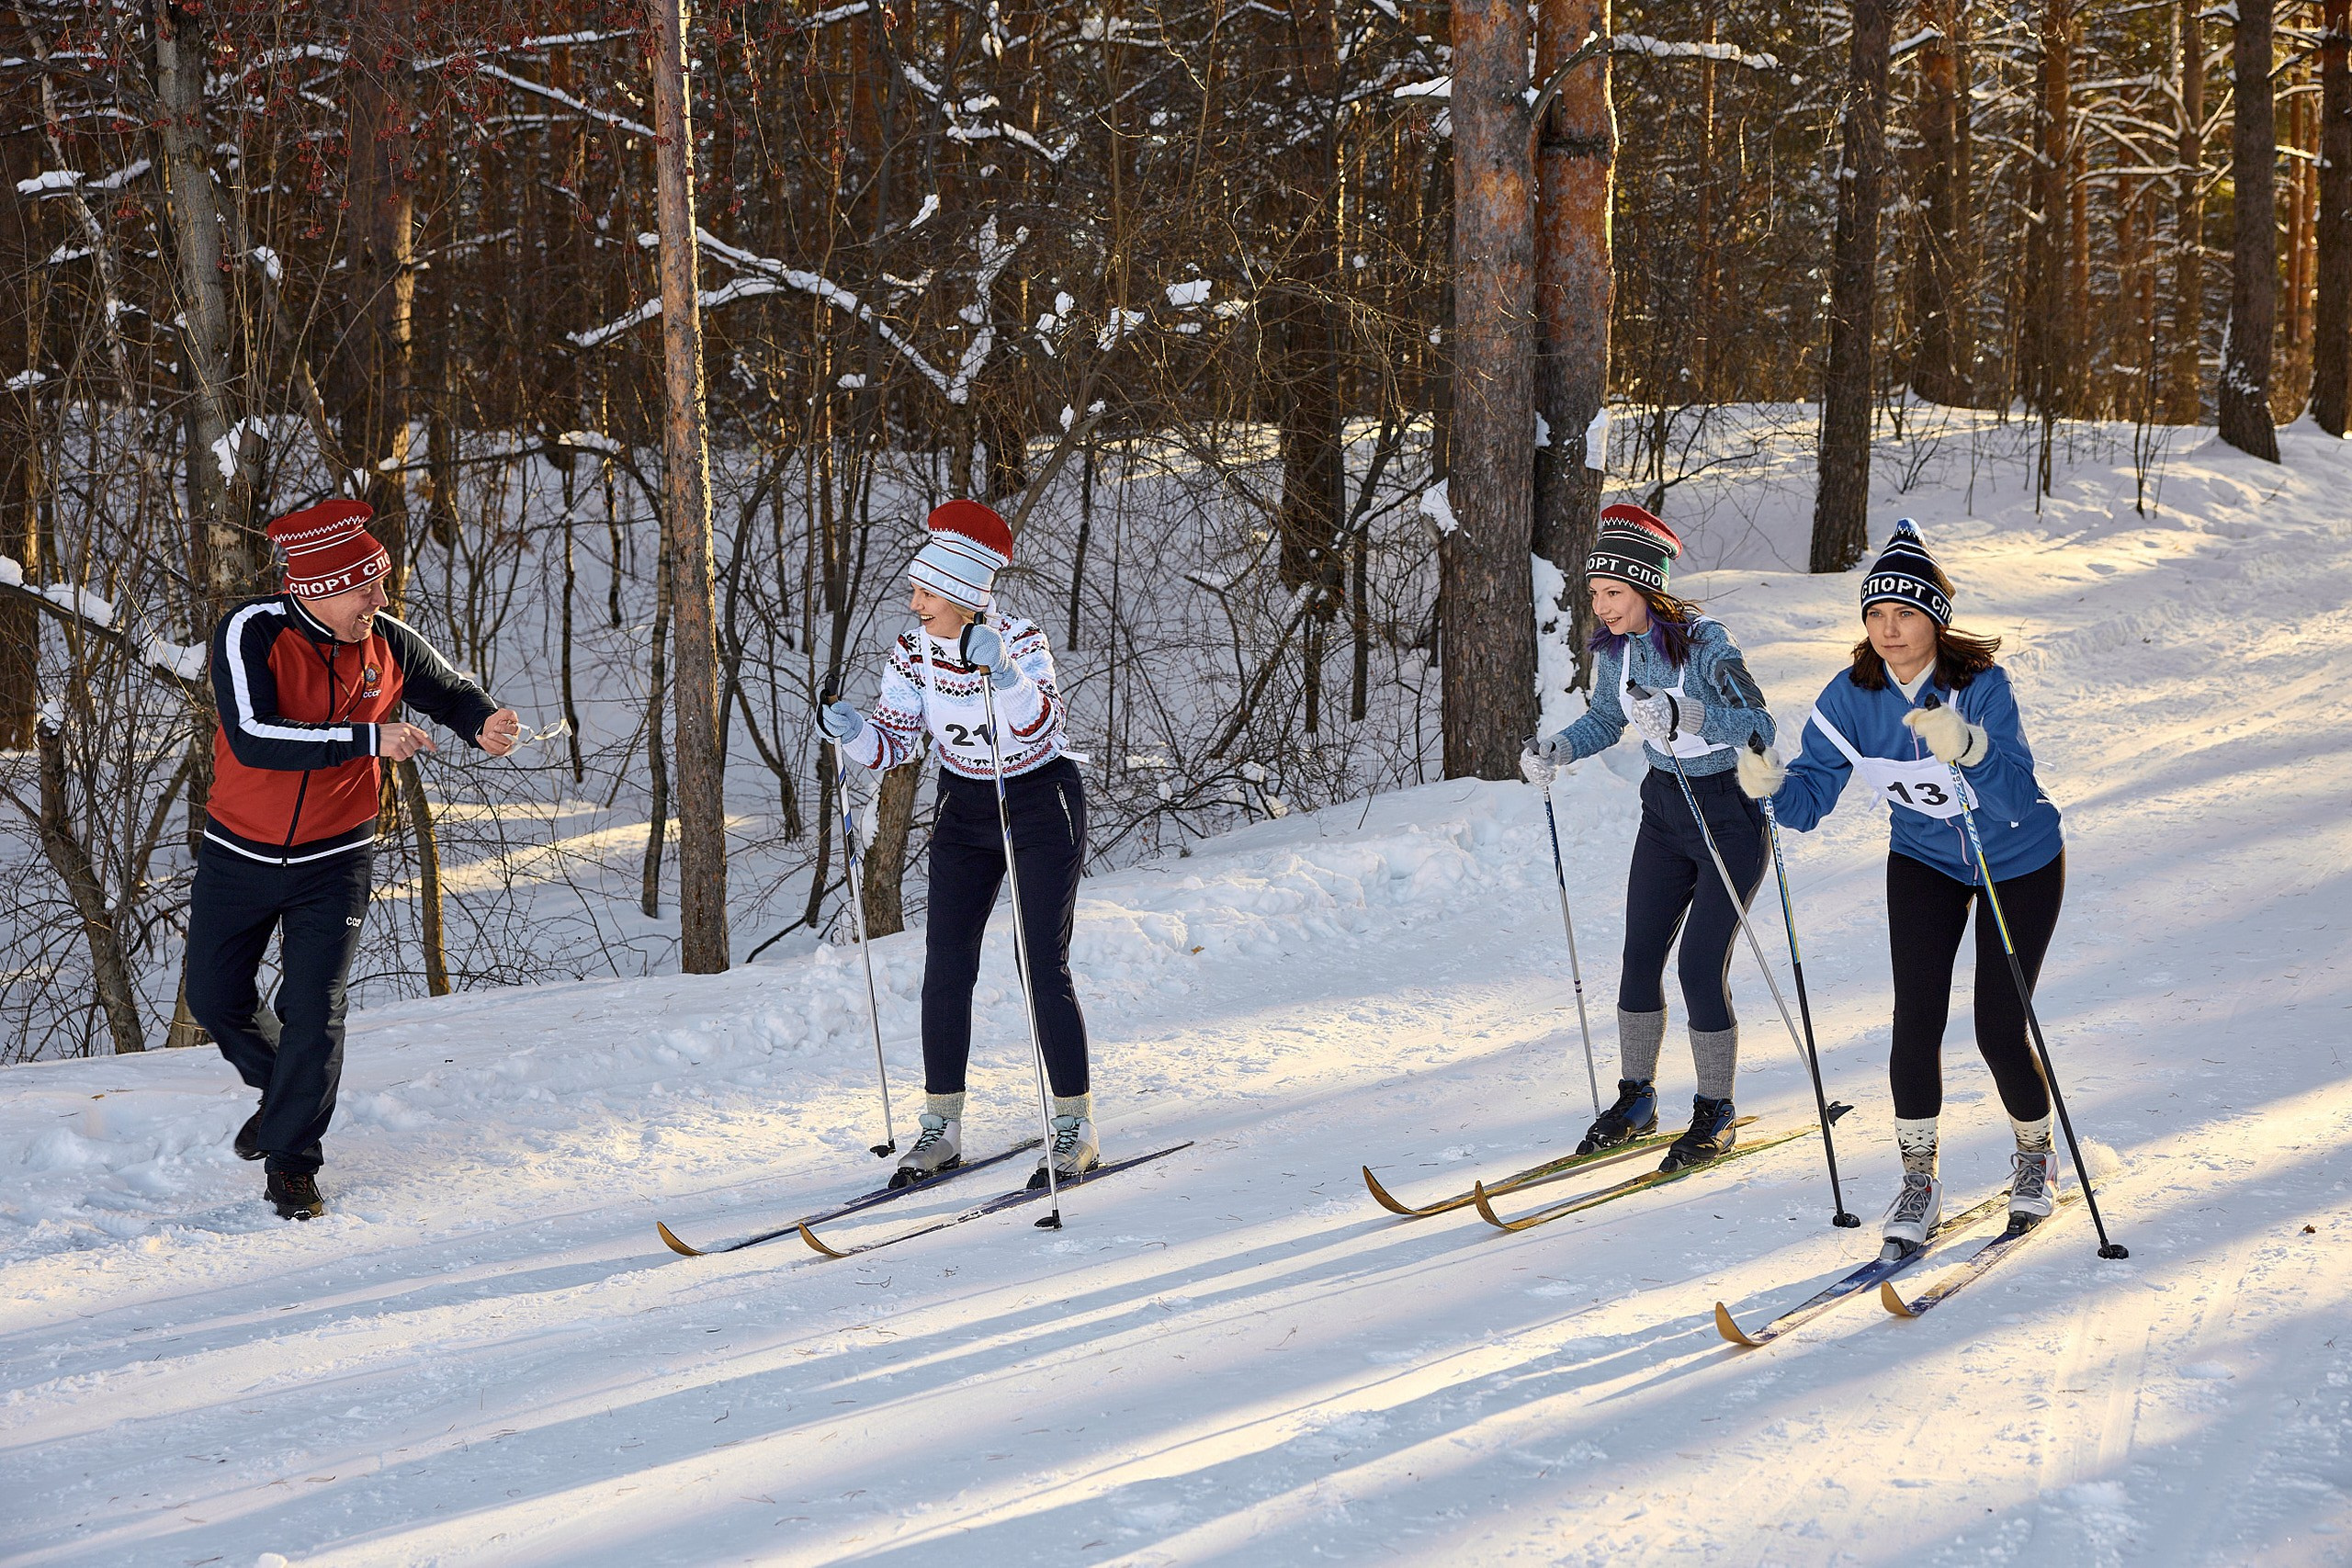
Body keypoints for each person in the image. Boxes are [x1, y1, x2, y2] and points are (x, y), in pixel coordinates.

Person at [1737, 519, 2065, 1248]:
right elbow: (1809, 803)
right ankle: (1919, 1179)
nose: (1889, 629)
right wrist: (1771, 786)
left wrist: (1970, 746)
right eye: (1876, 614)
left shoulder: (1981, 686)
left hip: (2019, 861)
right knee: (1914, 1020)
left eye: (1905, 614)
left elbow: (2017, 799)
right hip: (1923, 861)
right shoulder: (1851, 697)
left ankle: (2036, 1156)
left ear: (1936, 620)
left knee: (1997, 1026)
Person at [187, 501, 518, 1220]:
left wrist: (484, 721)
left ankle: (291, 1163)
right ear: (318, 588)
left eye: (380, 584)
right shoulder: (251, 631)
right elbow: (252, 736)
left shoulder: (387, 641)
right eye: (364, 587)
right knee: (214, 998)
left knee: (315, 1009)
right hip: (238, 851)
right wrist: (369, 738)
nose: (379, 599)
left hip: (335, 859)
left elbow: (449, 690)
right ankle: (286, 1096)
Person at [816, 500, 1095, 1190]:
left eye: (925, 593)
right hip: (966, 807)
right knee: (946, 963)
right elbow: (894, 744)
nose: (913, 604)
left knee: (1041, 962)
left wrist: (1004, 675)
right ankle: (941, 1127)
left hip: (1039, 802)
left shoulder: (1019, 640)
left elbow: (1040, 726)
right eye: (915, 591)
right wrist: (852, 731)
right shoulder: (913, 651)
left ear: (963, 594)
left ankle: (1074, 1125)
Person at [1522, 504, 1777, 1170]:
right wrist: (1557, 748)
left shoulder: (1708, 643)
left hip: (1727, 813)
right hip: (1665, 809)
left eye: (1613, 593)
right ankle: (1636, 1099)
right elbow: (1606, 720)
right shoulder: (1620, 650)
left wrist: (1685, 712)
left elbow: (1759, 725)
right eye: (1595, 594)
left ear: (1646, 588)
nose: (1601, 607)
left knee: (1699, 966)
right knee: (1639, 957)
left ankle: (1715, 1110)